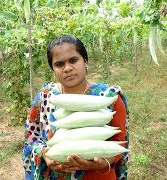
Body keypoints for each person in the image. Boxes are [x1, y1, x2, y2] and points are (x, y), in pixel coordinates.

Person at [22, 35, 129, 180]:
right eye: (59, 64)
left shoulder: (109, 97)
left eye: (73, 60)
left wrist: (102, 162)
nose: (67, 68)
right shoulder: (45, 97)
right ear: (53, 69)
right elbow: (32, 137)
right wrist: (45, 155)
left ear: (85, 61)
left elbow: (120, 141)